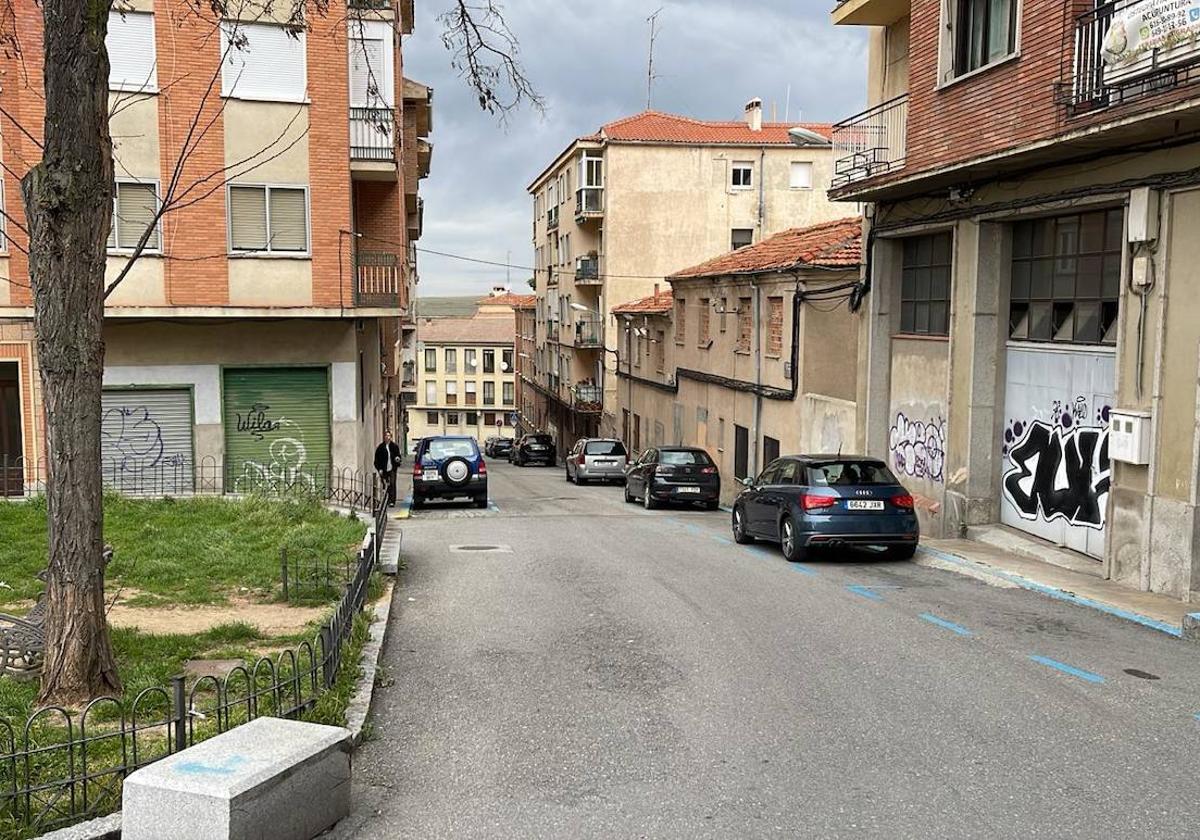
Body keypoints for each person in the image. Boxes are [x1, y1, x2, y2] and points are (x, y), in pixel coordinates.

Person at [374, 430, 402, 506]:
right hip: (384, 469)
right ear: (384, 437)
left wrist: (397, 459)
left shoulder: (394, 446)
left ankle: (392, 501)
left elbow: (398, 456)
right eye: (386, 436)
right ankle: (386, 499)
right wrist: (379, 469)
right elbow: (377, 460)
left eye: (389, 436)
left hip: (392, 468)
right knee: (386, 485)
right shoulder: (380, 447)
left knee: (392, 483)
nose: (387, 437)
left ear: (391, 437)